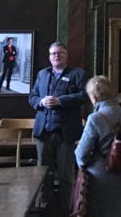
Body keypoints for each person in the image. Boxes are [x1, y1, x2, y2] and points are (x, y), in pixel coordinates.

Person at [29, 42, 88, 208]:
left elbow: (83, 95)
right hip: (44, 132)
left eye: (60, 53)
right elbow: (32, 96)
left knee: (65, 175)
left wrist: (60, 101)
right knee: (43, 174)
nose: (56, 56)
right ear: (49, 57)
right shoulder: (42, 74)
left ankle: (65, 209)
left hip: (66, 133)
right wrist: (41, 101)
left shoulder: (77, 74)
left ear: (66, 55)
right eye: (53, 53)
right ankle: (44, 208)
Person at [74, 75, 121, 217]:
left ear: (95, 97)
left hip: (99, 175)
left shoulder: (95, 118)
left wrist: (84, 166)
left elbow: (81, 154)